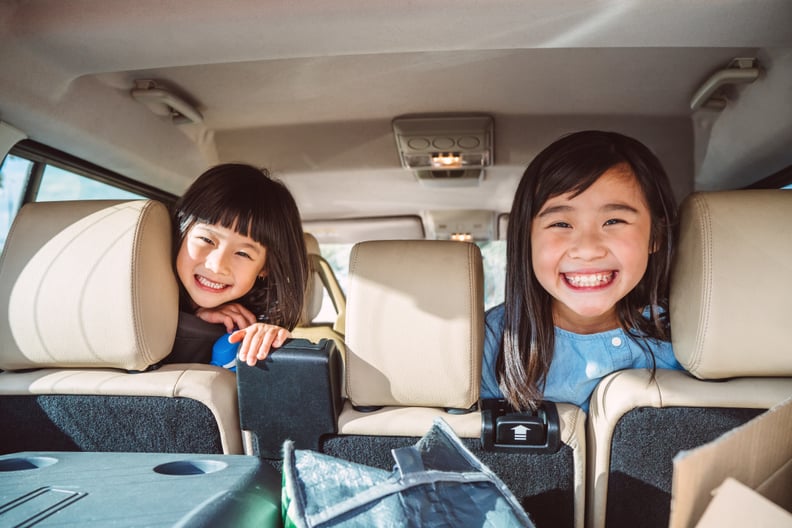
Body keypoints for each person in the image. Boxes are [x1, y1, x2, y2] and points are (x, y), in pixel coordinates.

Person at [481, 130, 684, 412]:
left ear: (655, 236)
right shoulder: (490, 344)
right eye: (561, 224)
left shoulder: (687, 338)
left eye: (613, 220)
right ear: (526, 238)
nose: (588, 249)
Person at [163, 163, 308, 367]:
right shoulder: (140, 318)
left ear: (265, 268)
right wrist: (195, 319)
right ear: (181, 231)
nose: (217, 265)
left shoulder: (244, 333)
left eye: (242, 253)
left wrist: (267, 340)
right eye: (206, 239)